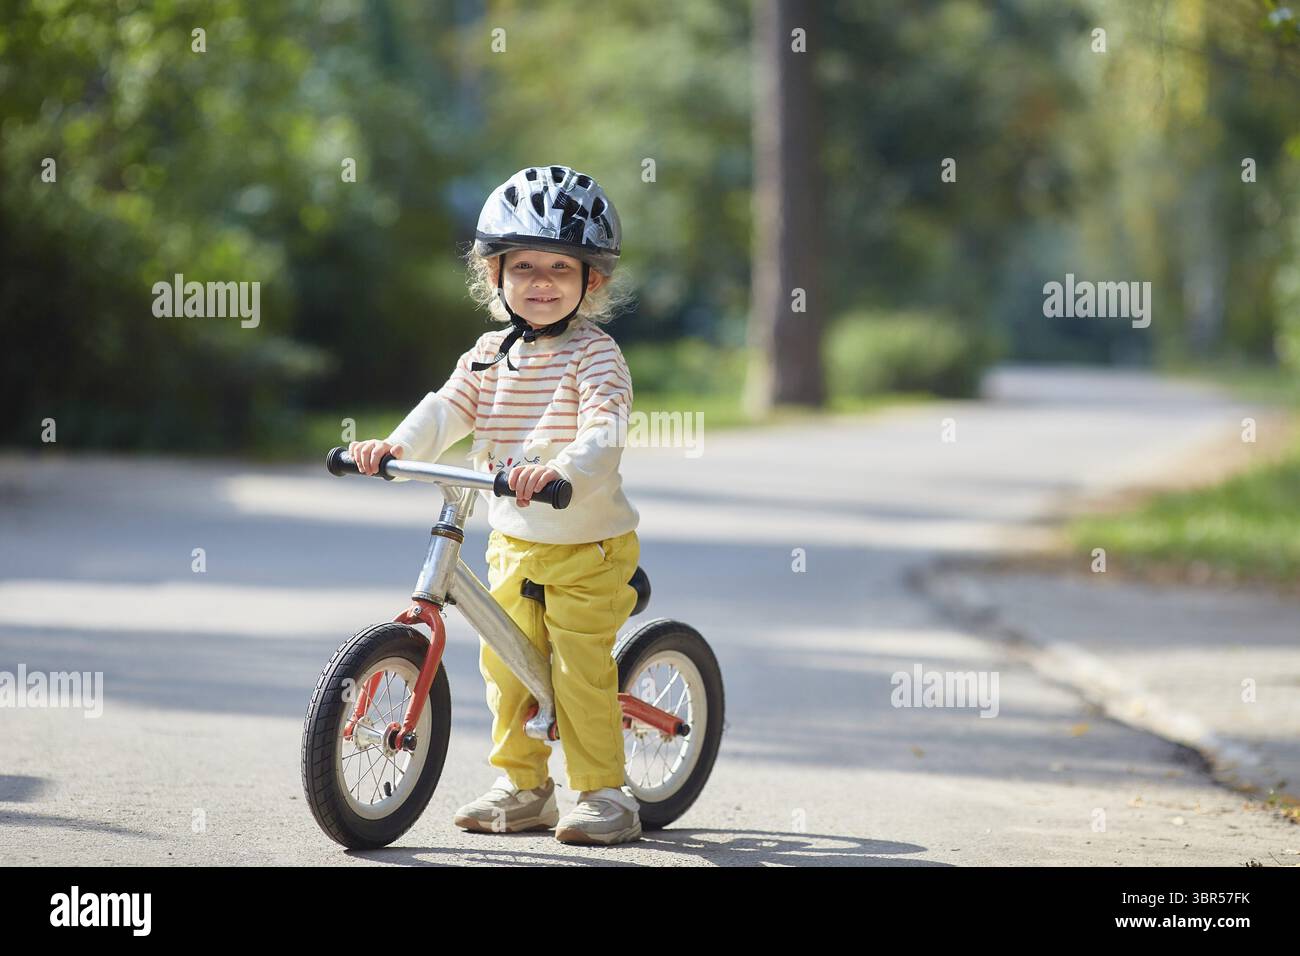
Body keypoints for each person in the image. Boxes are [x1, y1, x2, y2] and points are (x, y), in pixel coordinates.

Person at [348, 165, 642, 845]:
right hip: (512, 539)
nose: (542, 283)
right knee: (506, 666)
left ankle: (604, 792)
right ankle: (525, 787)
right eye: (525, 267)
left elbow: (605, 428)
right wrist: (392, 447)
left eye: (560, 269)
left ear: (590, 281)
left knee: (576, 670)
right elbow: (448, 408)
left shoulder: (595, 356)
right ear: (495, 276)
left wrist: (560, 469)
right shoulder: (488, 354)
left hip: (587, 546)